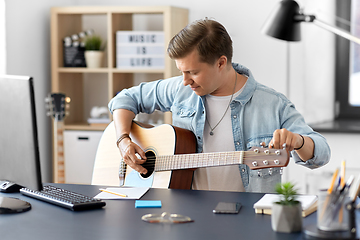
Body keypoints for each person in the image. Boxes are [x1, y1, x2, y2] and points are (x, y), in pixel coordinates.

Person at [108, 18, 330, 193]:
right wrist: (123, 140)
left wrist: (299, 141)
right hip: (185, 214)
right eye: (181, 72)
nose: (185, 81)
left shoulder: (273, 104)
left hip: (247, 221)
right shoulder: (180, 89)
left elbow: (321, 152)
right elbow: (123, 99)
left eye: (193, 72)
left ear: (221, 62)